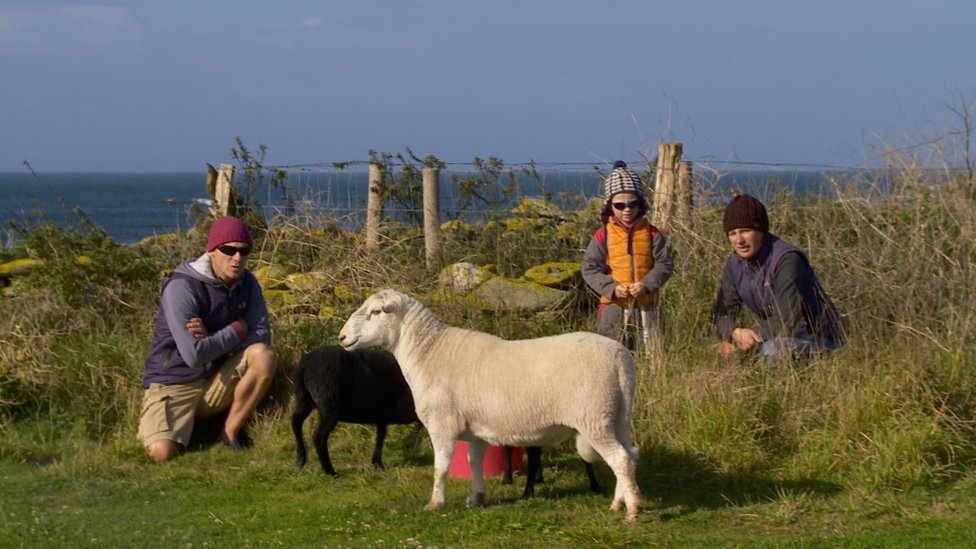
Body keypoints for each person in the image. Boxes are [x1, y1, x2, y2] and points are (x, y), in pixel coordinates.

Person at [138, 216, 277, 461]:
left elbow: (262, 336)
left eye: (244, 251)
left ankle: (229, 433)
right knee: (161, 454)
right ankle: (179, 430)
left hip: (215, 379)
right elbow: (194, 355)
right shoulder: (182, 288)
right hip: (174, 384)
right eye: (229, 250)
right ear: (212, 251)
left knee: (263, 356)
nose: (237, 258)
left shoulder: (248, 283)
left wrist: (212, 336)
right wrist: (238, 328)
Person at [711, 193, 845, 360]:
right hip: (773, 336)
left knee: (772, 351)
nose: (739, 240)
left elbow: (786, 320)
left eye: (745, 231)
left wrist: (750, 336)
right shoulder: (735, 263)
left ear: (761, 231)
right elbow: (720, 315)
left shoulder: (787, 260)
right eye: (732, 233)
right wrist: (734, 333)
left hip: (817, 338)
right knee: (711, 345)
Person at [582, 160, 674, 350]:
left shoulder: (652, 233)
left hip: (648, 307)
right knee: (613, 356)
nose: (626, 210)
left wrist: (646, 285)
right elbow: (589, 268)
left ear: (640, 205)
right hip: (613, 308)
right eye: (619, 205)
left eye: (632, 204)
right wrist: (612, 289)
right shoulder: (603, 235)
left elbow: (664, 264)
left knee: (652, 355)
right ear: (610, 206)